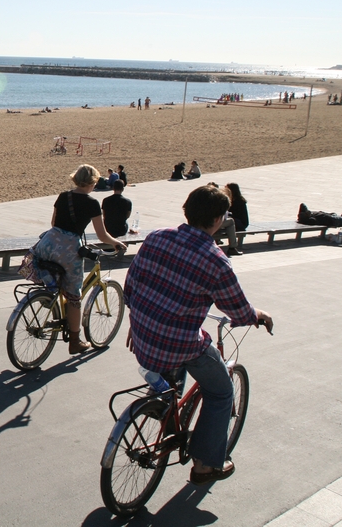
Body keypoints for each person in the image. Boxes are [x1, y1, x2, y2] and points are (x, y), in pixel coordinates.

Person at [125, 185, 273, 485]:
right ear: (219, 220)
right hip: (178, 344)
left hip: (142, 336)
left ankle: (165, 410)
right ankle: (205, 465)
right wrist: (258, 315)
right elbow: (238, 310)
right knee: (220, 392)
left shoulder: (157, 237)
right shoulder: (215, 260)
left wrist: (137, 321)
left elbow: (132, 284)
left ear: (186, 210)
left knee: (172, 375)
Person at [31, 165, 127, 354]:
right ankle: (75, 342)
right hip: (68, 251)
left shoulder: (62, 196)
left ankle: (48, 295)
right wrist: (117, 243)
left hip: (47, 244)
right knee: (75, 297)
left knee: (53, 271)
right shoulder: (92, 203)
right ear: (92, 183)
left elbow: (53, 223)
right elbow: (102, 235)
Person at [225, 183, 249, 248]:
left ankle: (232, 245)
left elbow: (233, 214)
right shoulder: (232, 199)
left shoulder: (238, 201)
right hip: (236, 220)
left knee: (227, 220)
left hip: (241, 222)